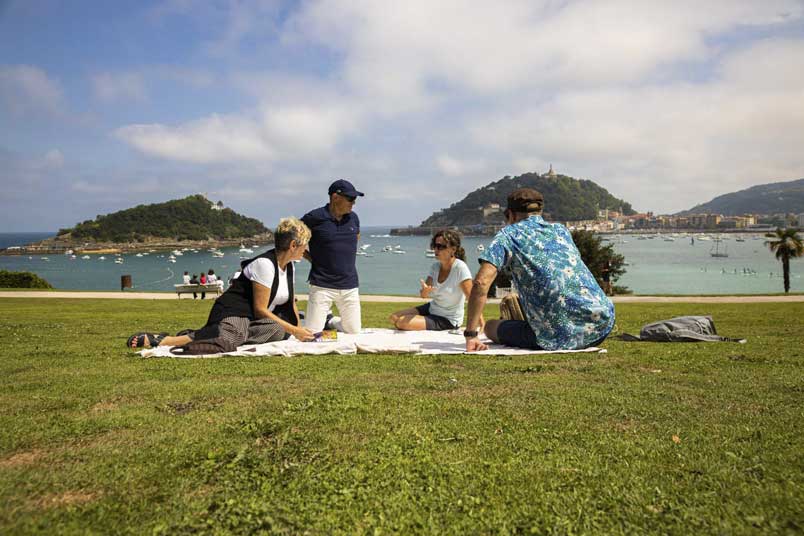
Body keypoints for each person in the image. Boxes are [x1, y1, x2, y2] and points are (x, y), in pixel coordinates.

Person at [464, 188, 615, 352]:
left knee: (491, 327)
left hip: (559, 334)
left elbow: (481, 282)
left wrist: (471, 334)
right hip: (601, 323)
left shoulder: (508, 235)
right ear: (540, 211)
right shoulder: (561, 231)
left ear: (511, 214)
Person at [127, 218, 315, 349]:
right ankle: (166, 341)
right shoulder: (265, 265)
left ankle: (208, 334)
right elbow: (260, 310)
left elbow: (290, 303)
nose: (305, 250)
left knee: (276, 330)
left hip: (251, 322)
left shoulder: (289, 267)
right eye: (304, 245)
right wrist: (295, 331)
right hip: (234, 312)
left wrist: (297, 331)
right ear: (292, 245)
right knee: (232, 336)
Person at [301, 179, 364, 333]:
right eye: (350, 199)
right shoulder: (314, 218)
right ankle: (313, 320)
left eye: (354, 199)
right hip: (322, 285)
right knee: (313, 334)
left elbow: (356, 237)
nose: (353, 203)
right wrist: (312, 259)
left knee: (354, 332)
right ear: (335, 197)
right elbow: (293, 240)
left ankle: (330, 321)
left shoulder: (353, 218)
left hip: (349, 285)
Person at [389, 230, 476, 331]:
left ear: (453, 249)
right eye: (435, 245)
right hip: (432, 308)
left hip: (448, 319)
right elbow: (424, 295)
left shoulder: (460, 268)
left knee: (402, 322)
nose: (436, 249)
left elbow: (473, 299)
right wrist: (425, 291)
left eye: (441, 246)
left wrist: (479, 325)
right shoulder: (435, 267)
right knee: (393, 317)